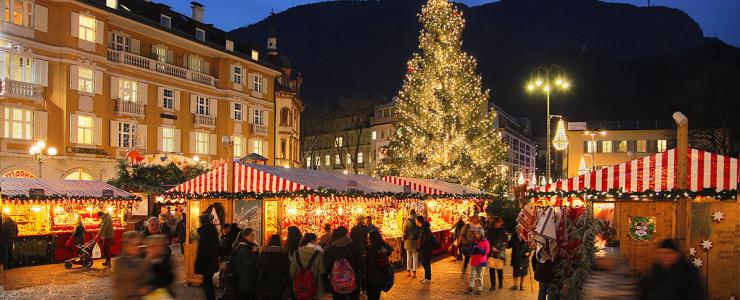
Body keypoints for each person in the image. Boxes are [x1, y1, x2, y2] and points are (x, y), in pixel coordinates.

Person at [640, 239, 706, 300]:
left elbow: (697, 295)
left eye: (668, 253)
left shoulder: (688, 272)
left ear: (677, 254)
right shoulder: (654, 273)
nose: (664, 256)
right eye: (661, 253)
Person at [112, 231, 155, 300]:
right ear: (125, 246)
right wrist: (148, 258)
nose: (135, 247)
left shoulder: (141, 258)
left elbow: (150, 278)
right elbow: (134, 274)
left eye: (137, 244)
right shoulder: (119, 261)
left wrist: (148, 287)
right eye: (131, 245)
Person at [324, 226, 362, 300]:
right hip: (352, 280)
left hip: (337, 282)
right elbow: (359, 264)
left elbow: (327, 266)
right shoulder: (353, 247)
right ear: (346, 234)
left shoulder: (331, 249)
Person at [290, 233, 326, 300]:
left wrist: (295, 280)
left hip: (301, 284)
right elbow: (322, 270)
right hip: (315, 284)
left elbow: (292, 271)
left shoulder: (297, 252)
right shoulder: (319, 251)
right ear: (314, 240)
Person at [141, 234, 175, 298]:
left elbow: (168, 279)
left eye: (161, 245)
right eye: (153, 246)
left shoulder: (165, 259)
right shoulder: (143, 258)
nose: (158, 248)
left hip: (162, 294)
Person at [230, 228, 260, 300]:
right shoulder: (243, 249)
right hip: (245, 280)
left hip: (246, 279)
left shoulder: (246, 247)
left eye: (254, 235)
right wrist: (255, 252)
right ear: (245, 236)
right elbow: (248, 264)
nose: (254, 238)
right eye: (252, 235)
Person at [195, 214, 220, 300]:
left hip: (206, 263)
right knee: (208, 283)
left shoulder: (204, 232)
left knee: (207, 284)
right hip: (212, 261)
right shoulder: (213, 231)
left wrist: (198, 263)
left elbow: (202, 249)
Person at [259, 234, 291, 300]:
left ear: (270, 241)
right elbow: (286, 268)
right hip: (278, 280)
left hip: (265, 279)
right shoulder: (283, 252)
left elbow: (259, 265)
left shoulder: (264, 252)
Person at [365, 230, 394, 300]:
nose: (367, 240)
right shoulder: (373, 249)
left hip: (375, 279)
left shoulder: (379, 252)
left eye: (369, 238)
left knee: (373, 296)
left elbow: (383, 266)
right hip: (373, 278)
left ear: (373, 239)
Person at [486, 216, 507, 290]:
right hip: (491, 252)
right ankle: (493, 285)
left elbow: (505, 242)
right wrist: (492, 247)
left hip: (500, 253)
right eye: (497, 223)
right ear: (494, 223)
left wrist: (500, 249)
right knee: (491, 269)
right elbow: (487, 241)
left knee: (499, 269)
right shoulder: (490, 230)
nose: (499, 224)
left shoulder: (502, 230)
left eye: (499, 223)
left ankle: (500, 283)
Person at [467, 227, 490, 295]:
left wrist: (479, 249)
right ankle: (471, 287)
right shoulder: (473, 241)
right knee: (472, 275)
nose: (477, 235)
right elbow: (470, 250)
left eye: (479, 233)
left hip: (482, 261)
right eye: (476, 233)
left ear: (482, 234)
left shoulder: (485, 242)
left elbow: (486, 252)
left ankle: (479, 288)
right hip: (474, 260)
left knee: (480, 276)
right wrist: (472, 250)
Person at [507, 225, 531, 291]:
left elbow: (530, 245)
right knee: (515, 272)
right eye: (518, 229)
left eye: (521, 229)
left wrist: (528, 252)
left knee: (523, 272)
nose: (519, 230)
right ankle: (515, 285)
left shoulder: (526, 235)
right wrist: (506, 243)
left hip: (524, 257)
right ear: (516, 229)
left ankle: (521, 285)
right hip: (516, 257)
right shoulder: (514, 236)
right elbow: (509, 245)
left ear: (523, 229)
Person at [402, 209, 420, 278]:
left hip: (408, 241)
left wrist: (403, 239)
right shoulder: (417, 220)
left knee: (408, 256)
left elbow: (404, 231)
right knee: (415, 256)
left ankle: (408, 271)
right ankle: (414, 272)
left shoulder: (406, 222)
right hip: (415, 240)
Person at [416, 216, 433, 284]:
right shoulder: (423, 228)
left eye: (416, 220)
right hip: (425, 248)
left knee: (426, 263)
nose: (416, 222)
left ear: (419, 221)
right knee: (425, 263)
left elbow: (425, 240)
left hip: (426, 249)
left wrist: (420, 246)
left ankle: (428, 278)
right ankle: (426, 277)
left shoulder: (425, 229)